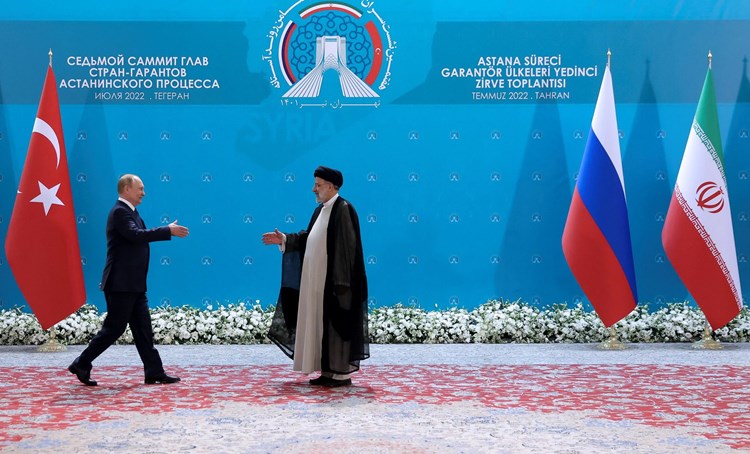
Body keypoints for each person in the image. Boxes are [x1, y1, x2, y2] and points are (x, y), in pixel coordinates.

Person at [68, 174, 189, 386]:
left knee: (143, 330)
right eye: (140, 188)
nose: (144, 193)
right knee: (114, 329)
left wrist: (166, 230)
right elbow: (136, 235)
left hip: (133, 284)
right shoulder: (119, 212)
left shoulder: (130, 212)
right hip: (121, 284)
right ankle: (81, 363)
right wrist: (167, 231)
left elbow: (137, 236)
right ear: (126, 188)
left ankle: (154, 371)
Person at [262, 166, 369, 387]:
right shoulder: (320, 210)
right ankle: (328, 371)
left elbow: (347, 250)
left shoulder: (344, 209)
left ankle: (340, 374)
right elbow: (308, 238)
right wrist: (285, 239)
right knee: (322, 326)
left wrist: (341, 285)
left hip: (335, 284)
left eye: (317, 185)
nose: (314, 189)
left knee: (336, 326)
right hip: (317, 282)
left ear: (330, 187)